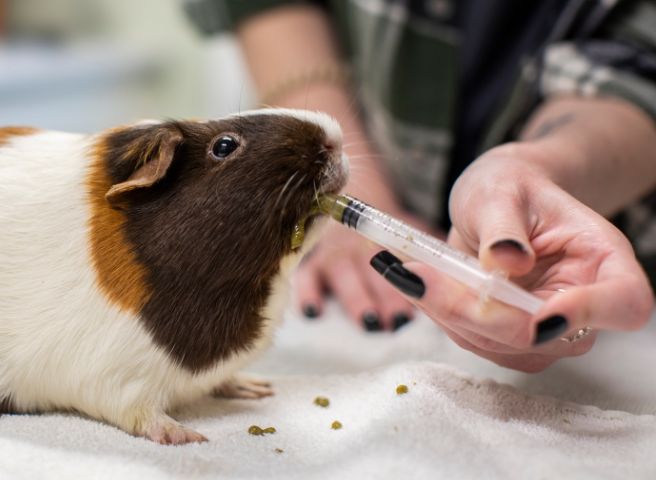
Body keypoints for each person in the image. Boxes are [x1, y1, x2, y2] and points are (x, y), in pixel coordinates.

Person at [185, 0, 656, 372]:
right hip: (368, 222)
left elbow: (640, 66)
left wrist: (537, 170)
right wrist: (356, 178)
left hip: (594, 261)